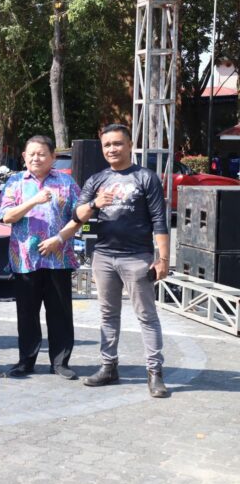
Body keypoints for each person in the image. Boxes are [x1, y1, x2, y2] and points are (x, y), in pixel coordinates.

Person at [74, 124, 171, 398]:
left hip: (137, 258)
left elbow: (159, 220)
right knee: (107, 314)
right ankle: (108, 367)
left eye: (117, 143)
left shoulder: (145, 177)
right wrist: (94, 204)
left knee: (146, 316)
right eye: (107, 145)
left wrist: (163, 258)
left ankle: (155, 372)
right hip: (103, 256)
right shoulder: (96, 180)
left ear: (130, 145)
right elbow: (77, 215)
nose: (112, 149)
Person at [0, 135, 81, 379]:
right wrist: (33, 200)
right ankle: (26, 361)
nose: (36, 158)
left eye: (42, 154)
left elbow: (79, 218)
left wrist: (60, 239)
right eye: (31, 154)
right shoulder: (15, 182)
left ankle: (60, 362)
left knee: (60, 312)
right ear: (24, 157)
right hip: (25, 259)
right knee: (27, 314)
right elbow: (6, 216)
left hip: (58, 257)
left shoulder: (66, 182)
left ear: (53, 157)